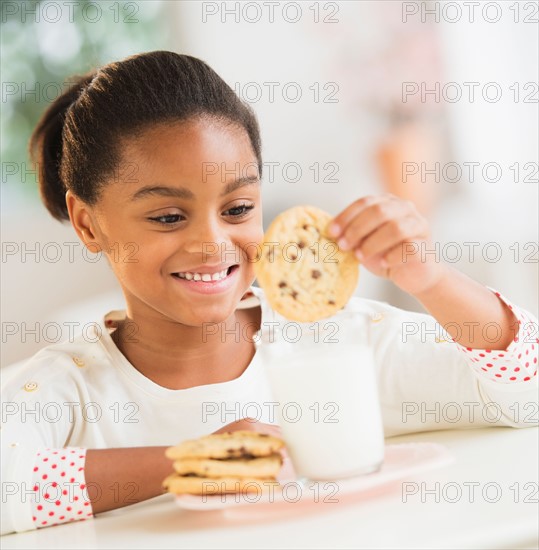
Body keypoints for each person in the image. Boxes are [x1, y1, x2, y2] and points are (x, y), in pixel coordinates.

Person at [2, 51, 537, 535]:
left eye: (237, 209)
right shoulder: (70, 392)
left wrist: (432, 280)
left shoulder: (337, 344)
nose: (213, 244)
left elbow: (526, 391)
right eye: (168, 216)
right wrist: (200, 461)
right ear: (87, 223)